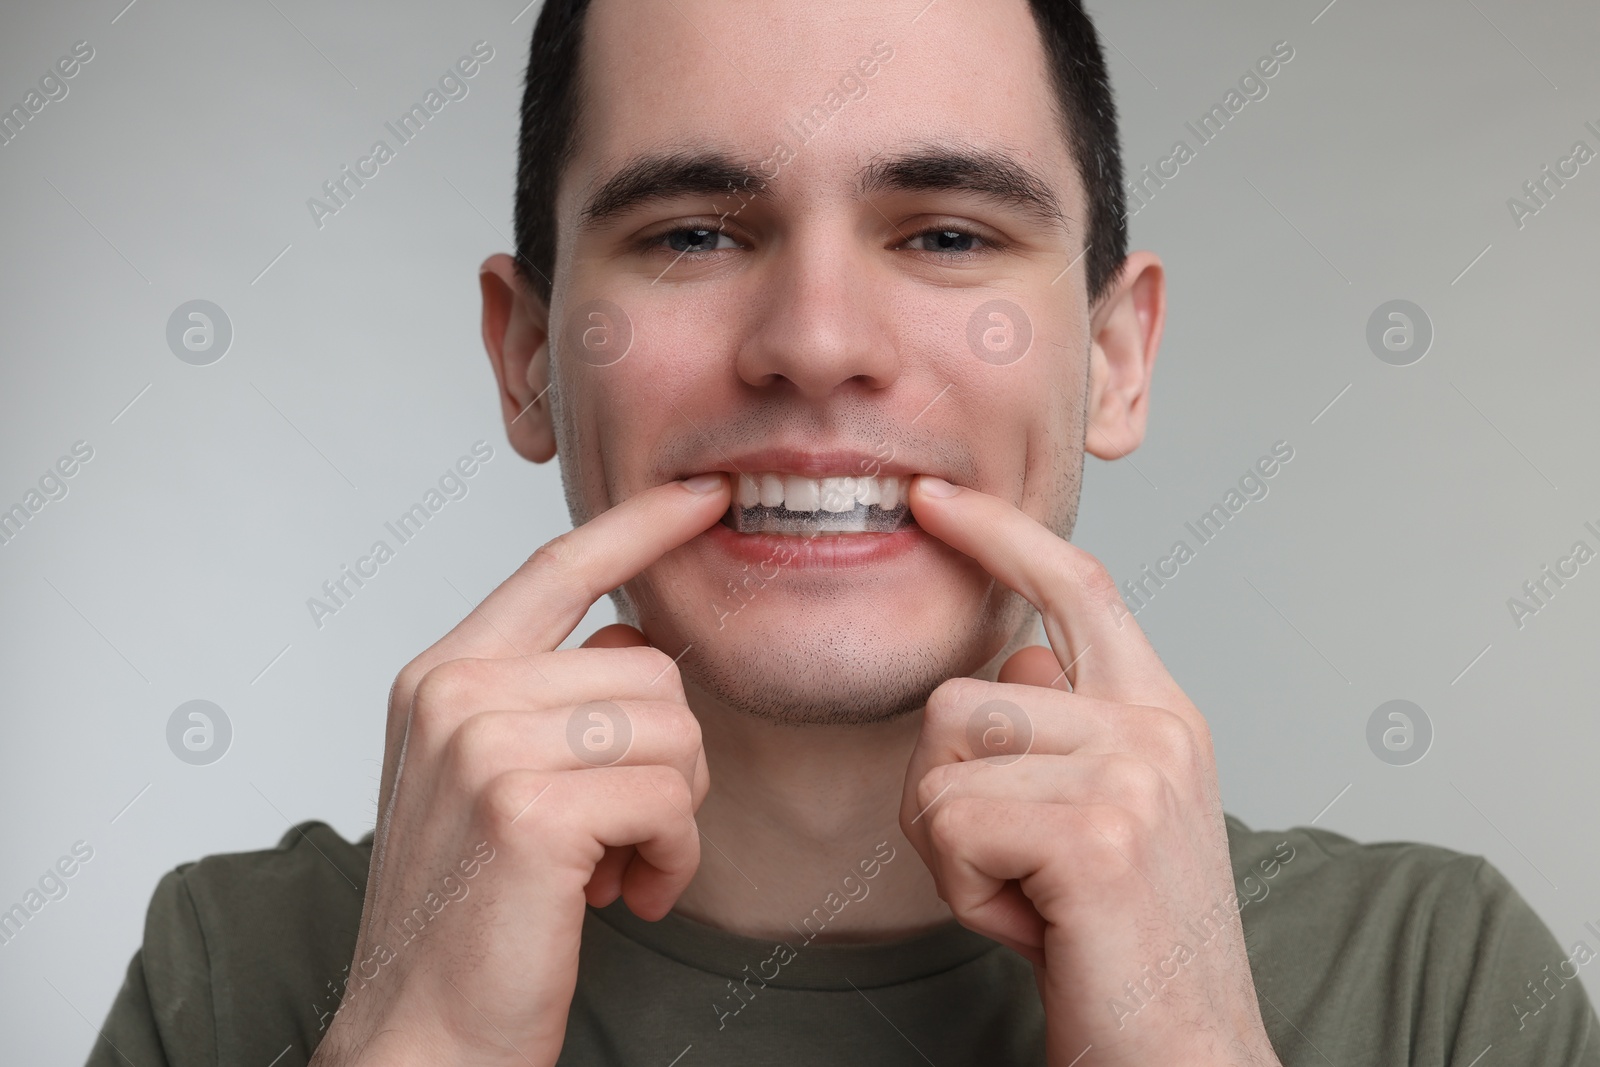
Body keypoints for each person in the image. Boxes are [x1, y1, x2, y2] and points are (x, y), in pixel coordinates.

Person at [88, 0, 1600, 1064]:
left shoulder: (1439, 981)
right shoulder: (244, 969)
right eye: (692, 233)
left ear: (1117, 357)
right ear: (526, 354)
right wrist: (419, 1050)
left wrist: (1184, 1044)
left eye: (946, 233)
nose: (815, 344)